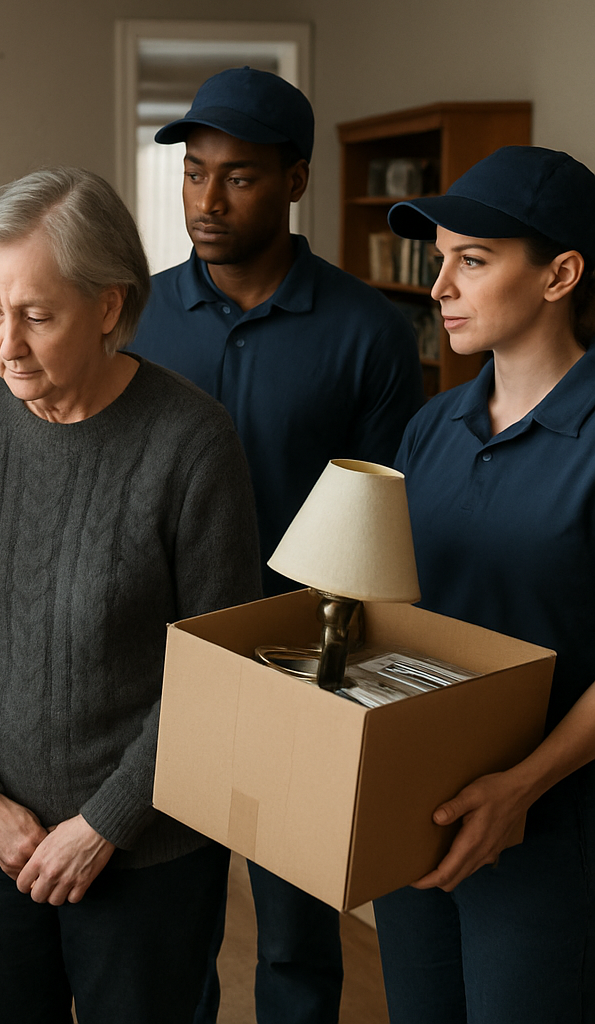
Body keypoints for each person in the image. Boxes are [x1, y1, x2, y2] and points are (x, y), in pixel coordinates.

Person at [0, 167, 262, 1024]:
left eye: (37, 314)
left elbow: (218, 674)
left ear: (108, 306)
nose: (7, 343)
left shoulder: (193, 444)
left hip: (146, 855)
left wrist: (102, 825)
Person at [129, 67, 425, 1024]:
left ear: (297, 180)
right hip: (154, 657)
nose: (206, 201)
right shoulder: (135, 315)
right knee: (164, 927)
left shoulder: (370, 332)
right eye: (194, 172)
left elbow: (388, 517)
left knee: (298, 938)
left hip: (298, 667)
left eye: (240, 177)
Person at [372, 145, 595, 1023]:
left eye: (473, 260)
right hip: (415, 808)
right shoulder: (432, 424)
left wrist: (522, 786)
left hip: (549, 825)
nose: (439, 289)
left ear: (561, 274)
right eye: (439, 262)